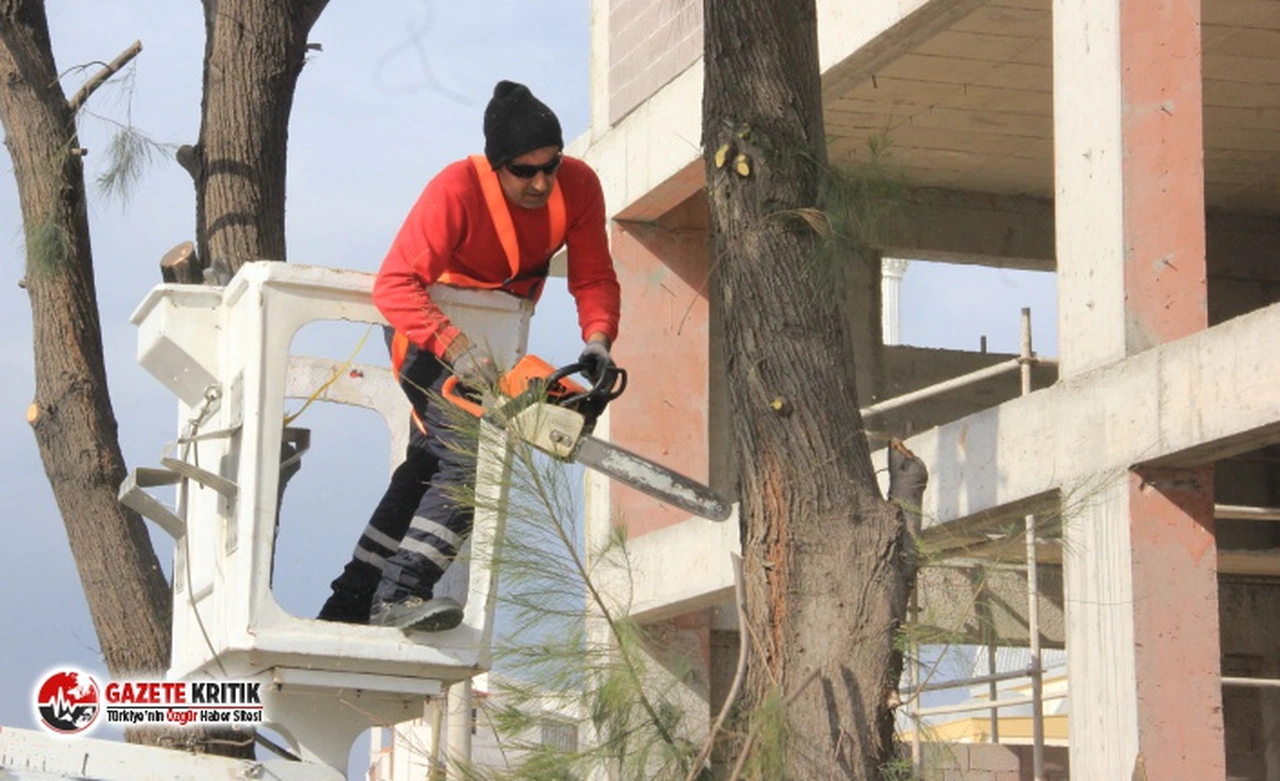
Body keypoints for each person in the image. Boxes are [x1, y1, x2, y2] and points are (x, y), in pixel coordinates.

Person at [318, 80, 621, 632]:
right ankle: (400, 595)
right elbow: (395, 286)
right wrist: (457, 351)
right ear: (497, 164)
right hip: (426, 335)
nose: (541, 182)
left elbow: (595, 275)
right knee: (468, 456)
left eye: (550, 166)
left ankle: (350, 602)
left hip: (495, 346)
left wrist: (598, 339)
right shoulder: (456, 190)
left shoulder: (579, 187)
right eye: (524, 171)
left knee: (427, 467)